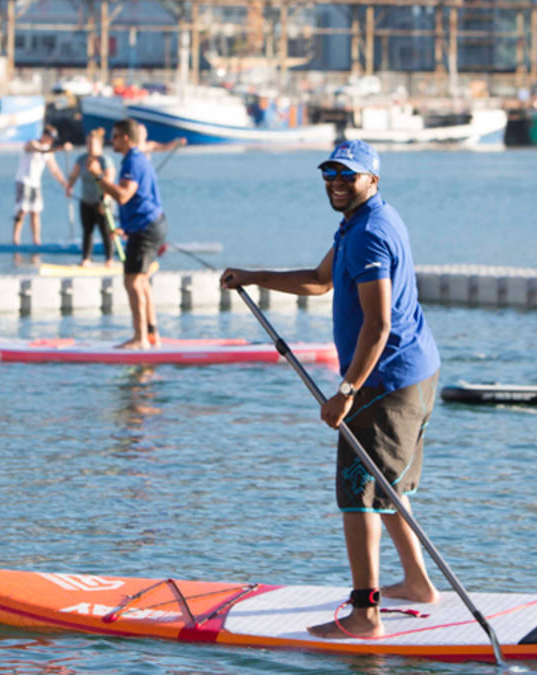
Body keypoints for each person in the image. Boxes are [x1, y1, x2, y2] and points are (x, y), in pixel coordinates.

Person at [219, 140, 442, 640]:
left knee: (358, 496)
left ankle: (365, 615)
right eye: (330, 174)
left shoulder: (369, 235)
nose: (337, 183)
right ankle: (418, 584)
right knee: (386, 486)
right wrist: (254, 277)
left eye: (348, 175)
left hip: (384, 383)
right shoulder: (364, 222)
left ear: (372, 180)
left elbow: (378, 325)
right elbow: (322, 281)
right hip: (412, 374)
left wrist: (347, 390)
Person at [89, 118, 167, 349]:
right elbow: (139, 198)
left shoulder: (133, 161)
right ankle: (151, 335)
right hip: (148, 225)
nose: (111, 140)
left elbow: (123, 195)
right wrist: (126, 227)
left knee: (132, 282)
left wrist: (98, 176)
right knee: (141, 281)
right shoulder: (136, 159)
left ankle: (139, 338)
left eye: (114, 136)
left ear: (125, 138)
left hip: (147, 227)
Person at [65, 128, 118, 268]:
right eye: (87, 143)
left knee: (105, 231)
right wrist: (69, 186)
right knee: (87, 231)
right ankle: (86, 259)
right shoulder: (82, 159)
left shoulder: (105, 160)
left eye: (92, 143)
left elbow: (109, 181)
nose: (89, 146)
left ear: (99, 145)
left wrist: (105, 199)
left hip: (103, 201)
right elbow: (74, 175)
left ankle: (109, 259)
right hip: (86, 200)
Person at [12, 125, 70, 246]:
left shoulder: (48, 150)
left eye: (53, 139)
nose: (51, 141)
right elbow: (39, 150)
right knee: (22, 210)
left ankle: (36, 241)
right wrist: (60, 148)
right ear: (44, 135)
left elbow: (55, 169)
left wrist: (65, 183)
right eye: (50, 138)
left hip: (36, 184)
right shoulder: (32, 144)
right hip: (24, 181)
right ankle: (16, 239)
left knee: (36, 211)